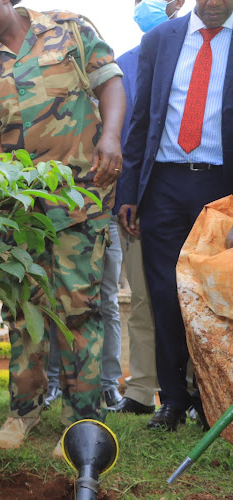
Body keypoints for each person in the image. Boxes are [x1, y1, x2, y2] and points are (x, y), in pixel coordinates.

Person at [0, 0, 125, 453]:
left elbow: (111, 83)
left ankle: (82, 419)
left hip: (81, 196)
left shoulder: (69, 28)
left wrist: (111, 136)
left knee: (79, 307)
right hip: (20, 208)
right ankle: (23, 412)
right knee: (24, 308)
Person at [119, 0, 233, 431]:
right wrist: (130, 191)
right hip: (163, 186)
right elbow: (142, 118)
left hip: (222, 188)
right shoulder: (160, 40)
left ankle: (210, 403)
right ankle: (171, 401)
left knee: (213, 298)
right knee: (165, 293)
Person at [107, 0, 186, 417]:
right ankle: (140, 390)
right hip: (143, 200)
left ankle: (194, 390)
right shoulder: (125, 63)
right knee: (142, 297)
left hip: (198, 193)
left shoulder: (212, 48)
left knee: (193, 298)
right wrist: (127, 198)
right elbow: (124, 135)